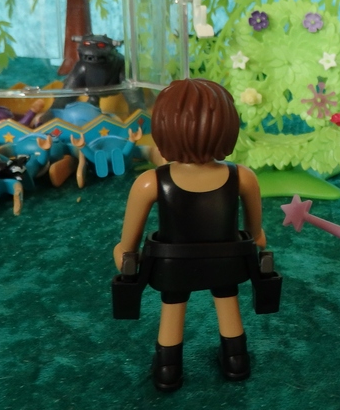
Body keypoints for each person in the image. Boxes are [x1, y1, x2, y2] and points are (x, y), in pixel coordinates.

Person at [113, 78, 266, 391]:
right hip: (227, 263)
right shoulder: (244, 178)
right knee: (227, 298)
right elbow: (256, 235)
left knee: (173, 303)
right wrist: (257, 246)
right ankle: (236, 359)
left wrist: (124, 256)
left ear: (164, 129)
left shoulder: (150, 182)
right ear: (228, 128)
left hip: (173, 266)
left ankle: (168, 367)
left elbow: (127, 246)